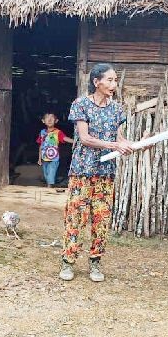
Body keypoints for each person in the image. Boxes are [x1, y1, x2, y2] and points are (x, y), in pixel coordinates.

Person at [60, 63, 133, 282]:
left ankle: (95, 263)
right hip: (82, 171)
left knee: (101, 219)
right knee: (75, 217)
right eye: (109, 80)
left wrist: (127, 146)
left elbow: (119, 138)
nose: (113, 84)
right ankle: (67, 262)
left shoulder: (117, 109)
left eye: (115, 80)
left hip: (105, 174)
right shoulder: (81, 104)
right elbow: (85, 138)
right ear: (96, 82)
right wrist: (114, 146)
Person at [36, 112, 73, 188]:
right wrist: (39, 158)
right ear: (43, 121)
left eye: (52, 118)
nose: (49, 120)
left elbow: (65, 138)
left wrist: (75, 141)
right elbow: (41, 146)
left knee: (51, 173)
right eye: (47, 118)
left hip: (54, 158)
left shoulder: (58, 132)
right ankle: (50, 185)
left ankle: (49, 188)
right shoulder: (42, 132)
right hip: (44, 158)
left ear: (56, 121)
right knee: (46, 174)